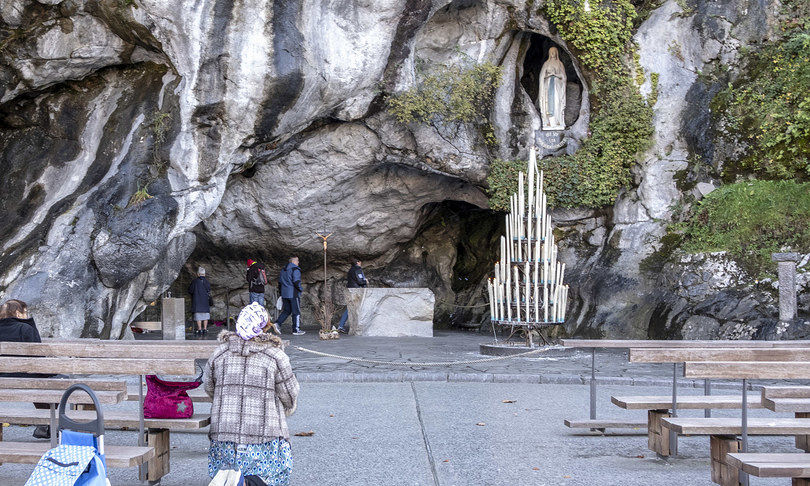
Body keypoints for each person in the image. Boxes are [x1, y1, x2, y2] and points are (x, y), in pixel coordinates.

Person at [204, 302, 299, 485]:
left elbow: (209, 387)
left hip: (224, 433)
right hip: (263, 433)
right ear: (263, 327)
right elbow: (289, 393)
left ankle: (234, 480)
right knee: (269, 476)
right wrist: (286, 407)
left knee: (228, 473)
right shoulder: (274, 356)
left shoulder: (220, 353)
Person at [0, 300, 51, 439]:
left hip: (2, 378)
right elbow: (39, 358)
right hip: (25, 378)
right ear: (17, 313)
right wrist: (30, 324)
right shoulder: (25, 329)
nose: (27, 315)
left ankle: (45, 425)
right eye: (25, 312)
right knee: (56, 380)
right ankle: (45, 424)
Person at [274, 257, 305, 336]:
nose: (298, 262)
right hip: (293, 293)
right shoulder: (295, 269)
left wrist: (281, 293)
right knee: (296, 311)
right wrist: (300, 289)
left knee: (287, 310)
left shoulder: (283, 270)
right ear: (294, 261)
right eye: (297, 260)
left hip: (285, 294)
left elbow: (280, 283)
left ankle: (277, 323)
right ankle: (296, 329)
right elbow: (296, 281)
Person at [337, 259, 368, 334]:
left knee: (349, 308)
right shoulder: (357, 269)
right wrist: (365, 281)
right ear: (357, 262)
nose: (361, 263)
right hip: (356, 290)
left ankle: (341, 325)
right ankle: (357, 326)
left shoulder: (351, 270)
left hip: (351, 289)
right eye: (360, 261)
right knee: (355, 308)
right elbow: (360, 281)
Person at [188, 267, 212, 336]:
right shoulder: (207, 282)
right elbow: (209, 290)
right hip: (205, 302)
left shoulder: (195, 281)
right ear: (204, 274)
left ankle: (199, 329)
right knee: (205, 316)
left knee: (198, 316)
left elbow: (190, 290)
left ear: (198, 274)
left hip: (197, 302)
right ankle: (205, 329)